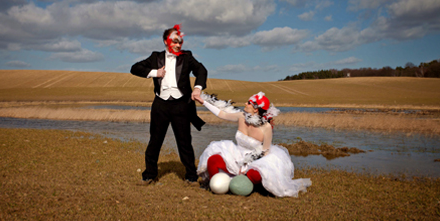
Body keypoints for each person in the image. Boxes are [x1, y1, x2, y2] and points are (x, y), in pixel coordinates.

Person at [193, 89, 311, 197]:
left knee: (256, 174)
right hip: (236, 154)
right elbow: (221, 114)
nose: (245, 103)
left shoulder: (266, 127)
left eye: (249, 103)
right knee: (213, 159)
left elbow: (265, 151)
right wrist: (203, 101)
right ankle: (219, 185)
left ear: (256, 109)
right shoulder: (241, 116)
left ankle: (247, 184)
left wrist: (247, 165)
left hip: (256, 159)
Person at [130, 25, 207, 184]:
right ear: (166, 41)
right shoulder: (155, 57)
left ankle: (191, 176)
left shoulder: (187, 57)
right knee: (155, 141)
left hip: (181, 105)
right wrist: (155, 73)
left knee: (184, 142)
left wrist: (198, 89)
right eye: (175, 42)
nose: (179, 45)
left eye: (180, 42)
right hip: (160, 105)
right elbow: (135, 68)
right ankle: (150, 175)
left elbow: (201, 70)